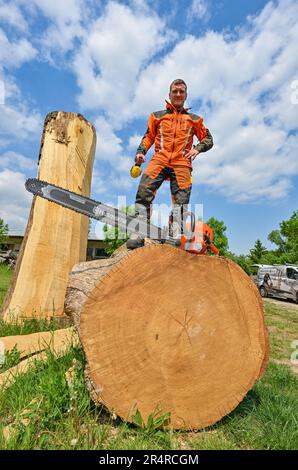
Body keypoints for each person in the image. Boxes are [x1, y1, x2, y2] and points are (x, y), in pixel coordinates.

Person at [127, 78, 214, 249]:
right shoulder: (157, 116)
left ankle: (175, 231)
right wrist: (140, 152)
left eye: (181, 91)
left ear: (186, 95)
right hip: (160, 157)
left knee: (181, 200)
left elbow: (208, 139)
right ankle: (138, 231)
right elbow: (149, 136)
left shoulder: (195, 119)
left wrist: (197, 148)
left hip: (182, 162)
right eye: (175, 91)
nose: (178, 94)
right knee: (144, 190)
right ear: (169, 94)